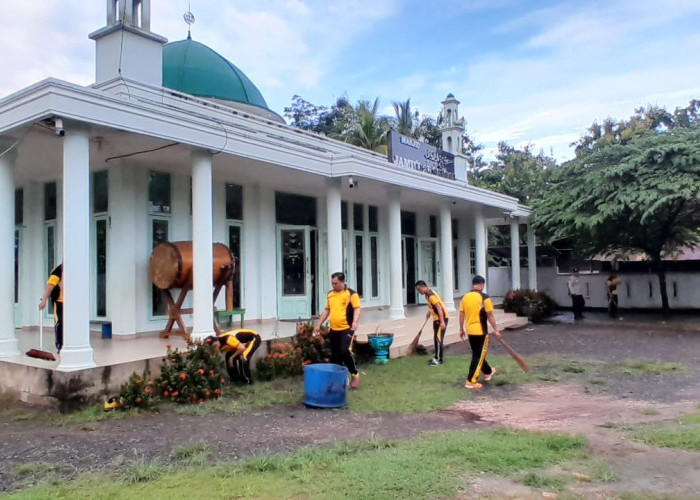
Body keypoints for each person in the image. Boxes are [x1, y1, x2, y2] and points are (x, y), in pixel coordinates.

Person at [314, 272, 361, 388]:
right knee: (335, 355)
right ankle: (340, 379)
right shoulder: (330, 294)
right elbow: (326, 310)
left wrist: (355, 321)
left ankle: (354, 374)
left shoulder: (351, 294)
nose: (333, 285)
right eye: (332, 283)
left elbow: (357, 309)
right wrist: (319, 324)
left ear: (342, 282)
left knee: (344, 351)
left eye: (335, 283)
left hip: (346, 329)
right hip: (333, 330)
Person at [458, 275, 501, 390]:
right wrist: (496, 330)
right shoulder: (484, 297)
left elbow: (461, 314)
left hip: (470, 331)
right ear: (482, 285)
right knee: (478, 355)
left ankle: (487, 372)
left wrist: (461, 329)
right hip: (481, 332)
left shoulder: (464, 297)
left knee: (478, 354)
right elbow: (489, 314)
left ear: (473, 284)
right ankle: (470, 381)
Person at [415, 280, 448, 366]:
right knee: (436, 338)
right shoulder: (428, 294)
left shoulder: (430, 295)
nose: (418, 292)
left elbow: (439, 307)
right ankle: (436, 357)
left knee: (438, 339)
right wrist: (429, 312)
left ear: (423, 287)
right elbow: (434, 305)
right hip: (436, 318)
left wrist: (442, 322)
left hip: (441, 318)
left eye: (419, 290)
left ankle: (439, 360)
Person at [38, 263, 63, 353]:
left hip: (71, 304)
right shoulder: (58, 271)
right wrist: (44, 300)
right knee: (60, 324)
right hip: (59, 302)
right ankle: (60, 345)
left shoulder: (74, 271)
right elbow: (50, 287)